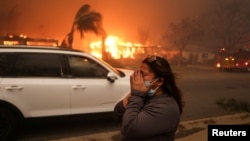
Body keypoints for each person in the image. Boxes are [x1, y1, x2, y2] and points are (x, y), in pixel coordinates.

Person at [113, 55, 184, 141]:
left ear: (159, 81)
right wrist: (134, 91)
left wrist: (137, 94)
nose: (137, 77)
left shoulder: (166, 107)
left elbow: (129, 128)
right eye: (138, 72)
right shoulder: (145, 95)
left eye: (142, 74)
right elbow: (118, 112)